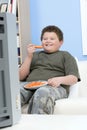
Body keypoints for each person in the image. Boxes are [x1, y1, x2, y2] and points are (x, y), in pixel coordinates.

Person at [19, 25, 80, 114]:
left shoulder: (65, 55)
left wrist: (60, 79)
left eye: (52, 39)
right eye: (45, 39)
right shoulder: (34, 55)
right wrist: (29, 56)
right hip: (30, 85)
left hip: (53, 87)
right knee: (15, 91)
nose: (48, 41)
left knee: (42, 92)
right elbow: (20, 77)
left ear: (61, 42)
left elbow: (73, 78)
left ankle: (38, 126)